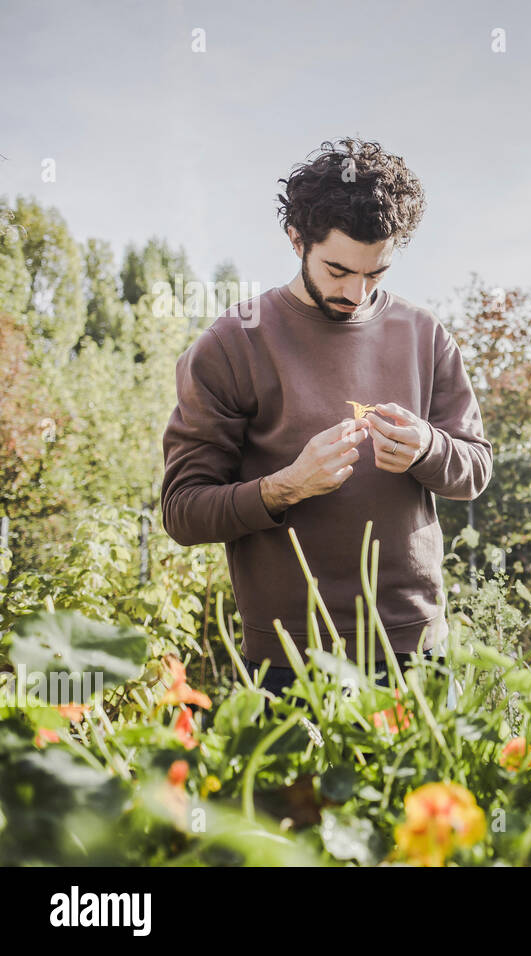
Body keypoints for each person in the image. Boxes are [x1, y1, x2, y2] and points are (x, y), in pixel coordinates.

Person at [160, 137, 492, 698]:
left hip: (415, 649)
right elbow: (182, 511)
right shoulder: (232, 343)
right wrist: (285, 487)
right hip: (291, 659)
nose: (357, 293)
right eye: (338, 270)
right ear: (296, 239)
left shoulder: (424, 334)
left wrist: (428, 450)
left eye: (376, 275)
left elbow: (476, 468)